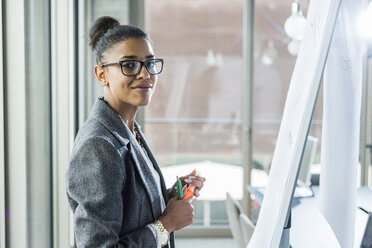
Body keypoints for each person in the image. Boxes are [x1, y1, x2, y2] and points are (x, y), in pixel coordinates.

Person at [66, 16, 206, 248]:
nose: (145, 74)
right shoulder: (98, 146)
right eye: (129, 65)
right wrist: (167, 224)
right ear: (102, 75)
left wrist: (168, 196)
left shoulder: (129, 129)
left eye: (149, 63)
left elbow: (129, 208)